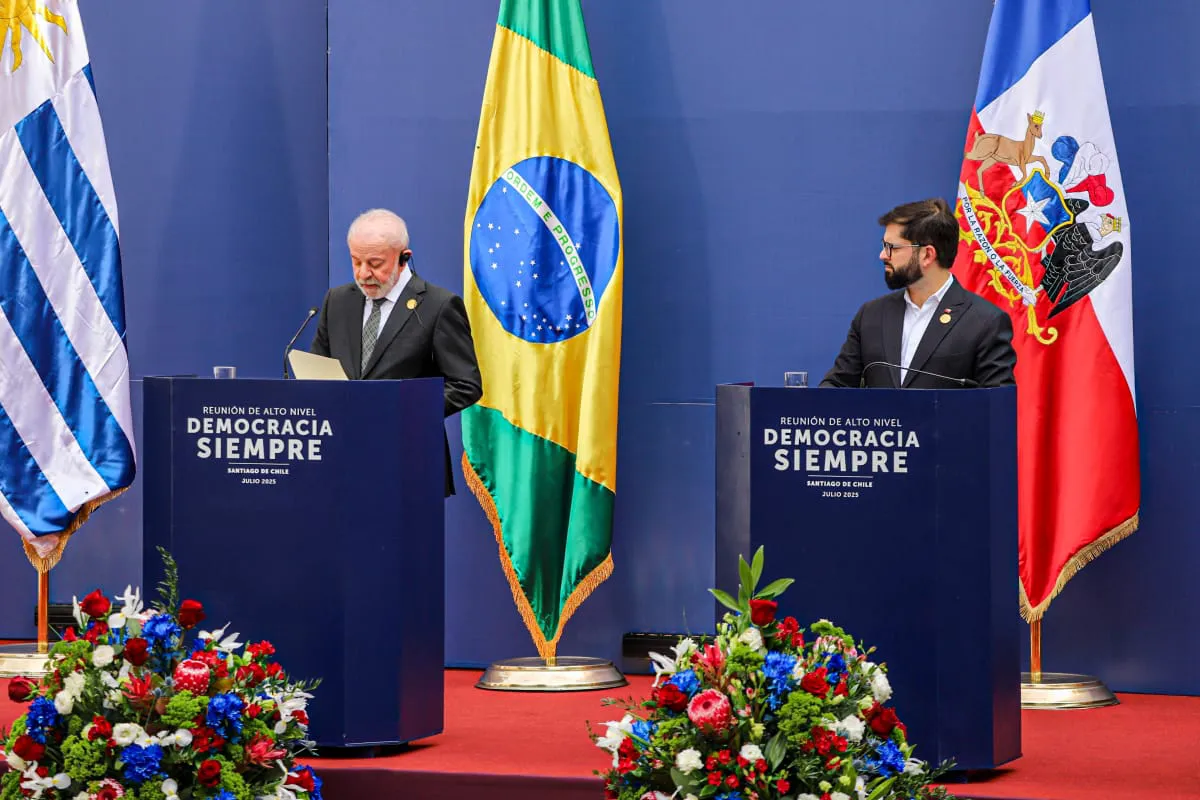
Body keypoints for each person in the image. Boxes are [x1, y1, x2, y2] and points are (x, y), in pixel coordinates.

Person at [311, 208, 483, 494]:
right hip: (340, 459)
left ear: (404, 258)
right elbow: (317, 367)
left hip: (409, 460)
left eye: (375, 264)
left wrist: (401, 410)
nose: (363, 274)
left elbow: (466, 384)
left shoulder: (439, 306)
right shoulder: (337, 301)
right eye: (356, 262)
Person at [820, 198, 1017, 389]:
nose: (882, 255)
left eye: (892, 248)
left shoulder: (985, 322)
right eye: (884, 246)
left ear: (927, 254)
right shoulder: (871, 315)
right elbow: (837, 385)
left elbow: (995, 409)